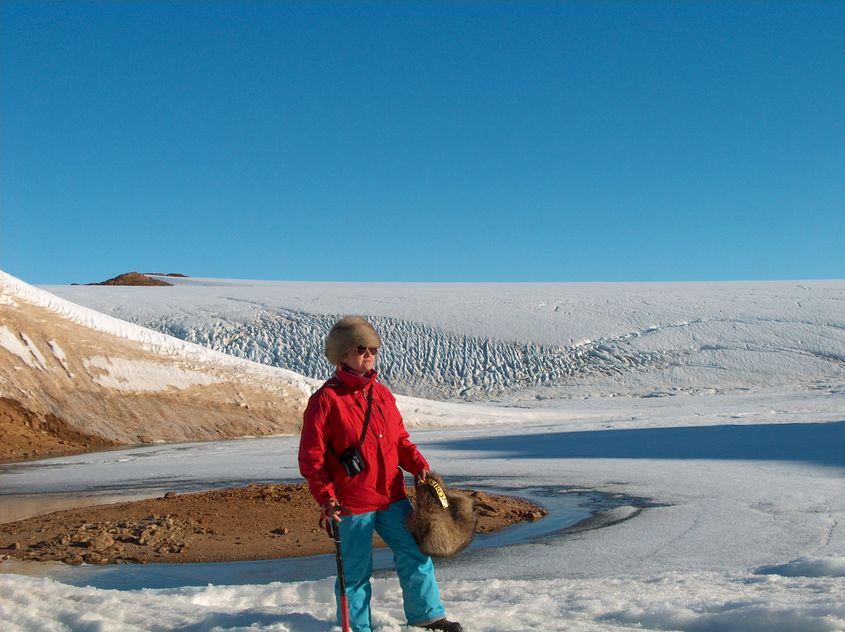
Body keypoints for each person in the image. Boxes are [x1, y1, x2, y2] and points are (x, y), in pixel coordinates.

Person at [299, 315, 463, 632]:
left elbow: (400, 441)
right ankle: (358, 627)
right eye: (361, 348)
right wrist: (326, 499)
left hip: (391, 495)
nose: (369, 354)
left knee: (415, 552)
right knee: (356, 571)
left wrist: (418, 465)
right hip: (351, 502)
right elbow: (312, 459)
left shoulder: (383, 395)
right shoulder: (325, 401)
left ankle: (427, 615)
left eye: (373, 348)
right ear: (342, 354)